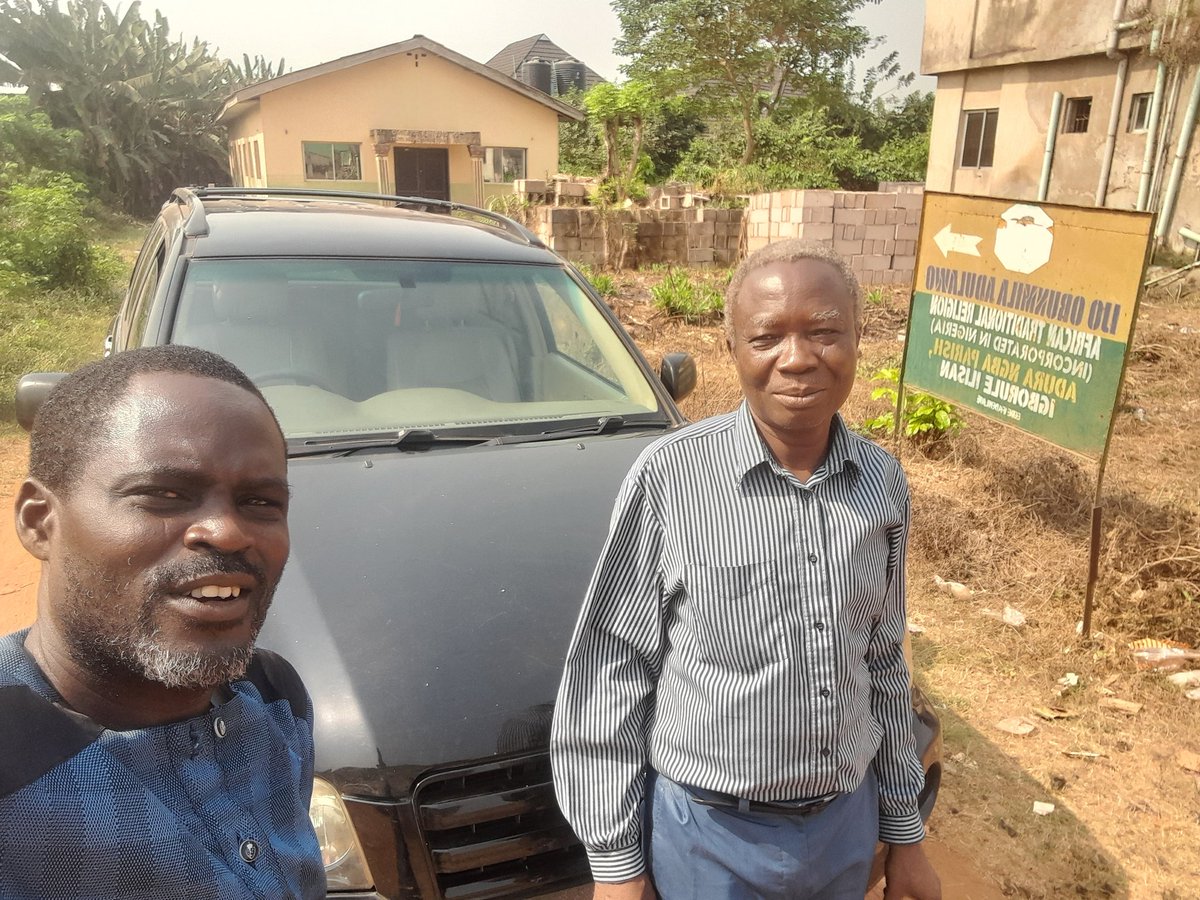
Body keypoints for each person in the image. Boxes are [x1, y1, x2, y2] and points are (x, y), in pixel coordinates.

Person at [550, 240, 941, 900]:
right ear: (732, 349)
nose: (797, 358)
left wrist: (904, 833)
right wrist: (617, 865)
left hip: (844, 827)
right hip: (708, 839)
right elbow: (611, 668)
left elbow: (881, 661)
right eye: (767, 336)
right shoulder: (671, 478)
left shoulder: (882, 483)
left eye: (824, 331)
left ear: (856, 341)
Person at [1, 345, 326, 899]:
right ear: (40, 522)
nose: (227, 532)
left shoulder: (273, 697)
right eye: (164, 495)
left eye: (259, 502)